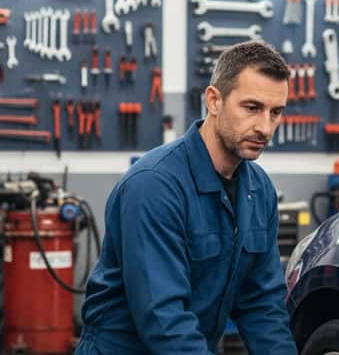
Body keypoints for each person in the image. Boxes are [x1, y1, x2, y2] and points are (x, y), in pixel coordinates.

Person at [76, 41, 297, 354]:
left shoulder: (259, 191)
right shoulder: (154, 186)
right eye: (252, 108)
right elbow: (163, 318)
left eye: (275, 113)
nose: (265, 127)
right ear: (214, 101)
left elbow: (262, 305)